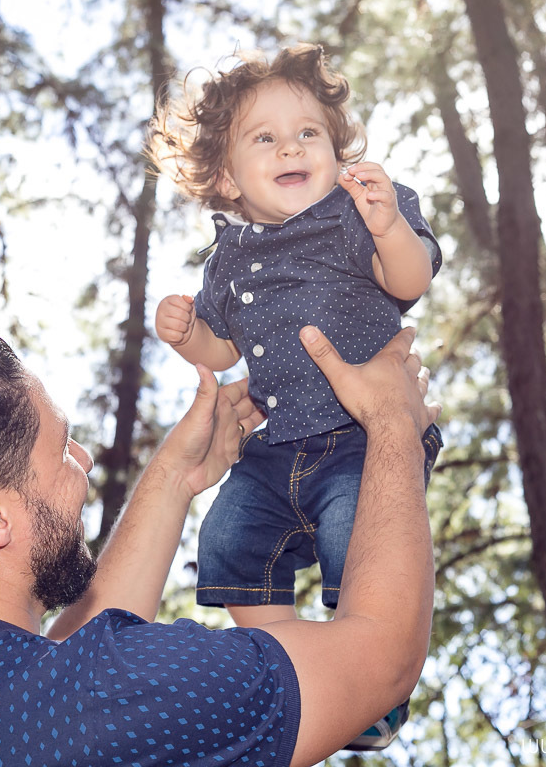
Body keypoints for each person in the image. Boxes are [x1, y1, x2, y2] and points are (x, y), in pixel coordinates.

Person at [0, 319, 439, 767]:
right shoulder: (123, 696)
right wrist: (392, 422)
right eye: (61, 449)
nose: (85, 459)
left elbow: (51, 680)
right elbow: (381, 658)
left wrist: (176, 476)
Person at [150, 44, 442, 749]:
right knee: (225, 543)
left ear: (336, 153)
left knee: (353, 536)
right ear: (227, 177)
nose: (291, 146)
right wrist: (189, 336)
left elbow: (410, 281)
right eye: (265, 138)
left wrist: (388, 227)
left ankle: (374, 682)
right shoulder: (227, 259)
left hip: (361, 437)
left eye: (308, 132)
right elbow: (223, 349)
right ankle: (299, 673)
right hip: (274, 448)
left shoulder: (355, 212)